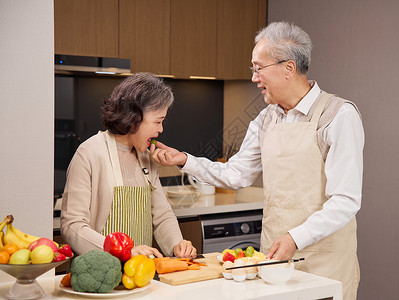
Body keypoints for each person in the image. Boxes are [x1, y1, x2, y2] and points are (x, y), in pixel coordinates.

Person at [151, 22, 363, 299]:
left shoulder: (337, 116)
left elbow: (345, 200)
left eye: (258, 67)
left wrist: (294, 238)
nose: (254, 77)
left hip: (325, 262)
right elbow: (237, 174)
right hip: (275, 259)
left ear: (288, 68)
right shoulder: (266, 119)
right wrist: (184, 160)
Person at [60, 72, 197, 259]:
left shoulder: (146, 156)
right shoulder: (89, 153)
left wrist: (177, 244)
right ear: (134, 117)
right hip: (102, 275)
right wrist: (123, 251)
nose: (161, 130)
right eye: (158, 121)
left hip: (140, 275)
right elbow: (72, 226)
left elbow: (161, 214)